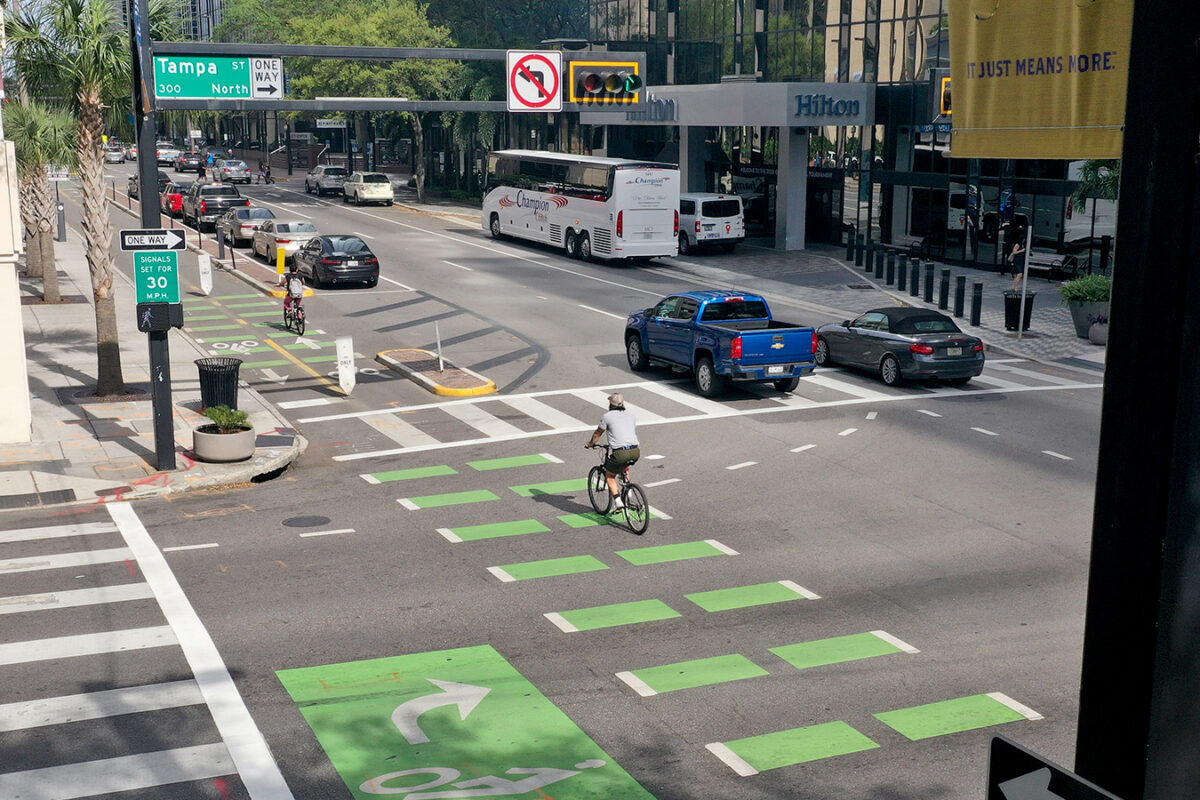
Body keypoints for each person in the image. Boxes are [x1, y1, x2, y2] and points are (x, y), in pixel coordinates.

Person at [584, 393, 640, 512]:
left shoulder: (607, 416)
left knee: (610, 476)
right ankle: (627, 488)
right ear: (623, 403)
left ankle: (618, 502)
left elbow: (598, 434)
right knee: (624, 466)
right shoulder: (631, 416)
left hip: (620, 452)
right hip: (635, 451)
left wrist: (590, 444)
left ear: (610, 404)